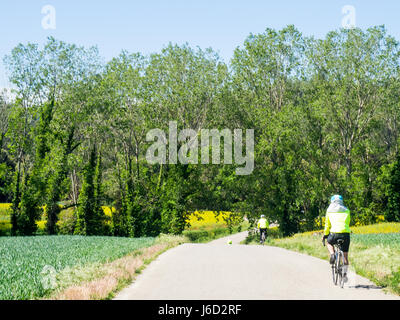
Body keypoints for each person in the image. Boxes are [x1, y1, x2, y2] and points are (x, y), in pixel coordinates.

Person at [322, 195, 351, 281]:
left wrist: (325, 235)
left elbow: (327, 225)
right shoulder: (347, 210)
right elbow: (347, 222)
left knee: (329, 242)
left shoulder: (329, 211)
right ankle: (345, 275)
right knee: (345, 257)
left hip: (334, 234)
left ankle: (332, 254)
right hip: (345, 234)